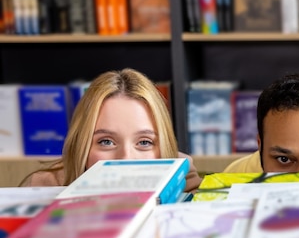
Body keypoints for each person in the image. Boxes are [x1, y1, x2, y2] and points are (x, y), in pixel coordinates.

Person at [21, 68, 202, 192]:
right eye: (106, 142)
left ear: (164, 147)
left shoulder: (183, 177)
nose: (126, 159)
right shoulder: (43, 188)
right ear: (81, 145)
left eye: (145, 142)